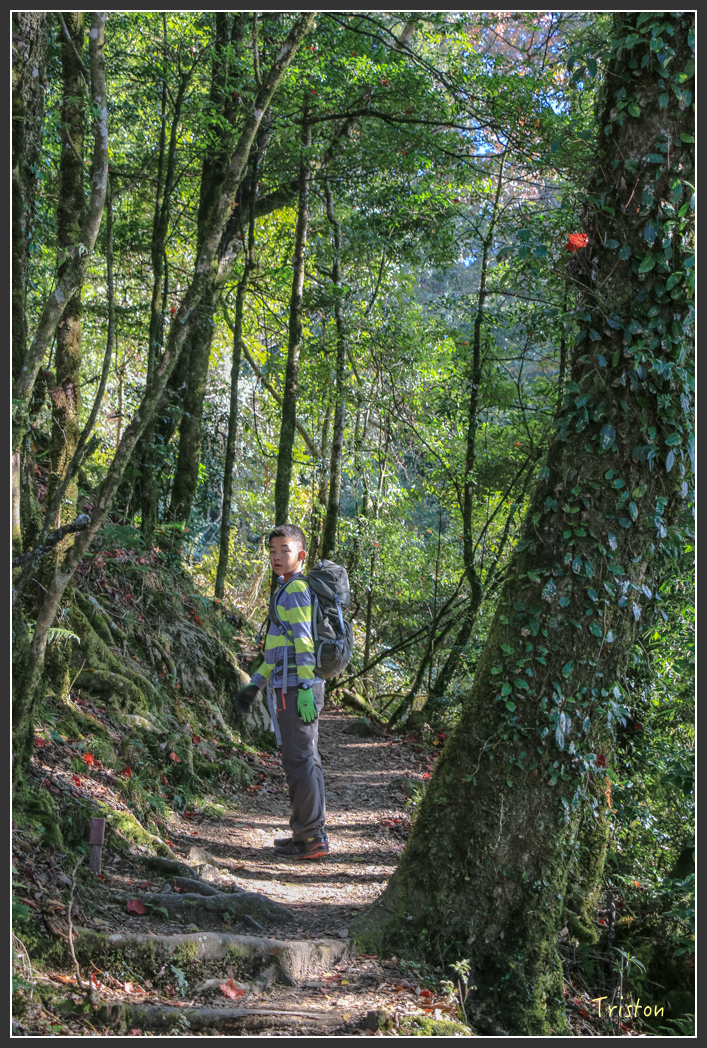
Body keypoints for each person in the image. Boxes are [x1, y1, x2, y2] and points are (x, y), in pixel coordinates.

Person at [232, 524, 329, 860]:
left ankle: (312, 838)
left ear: (300, 555)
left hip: (296, 687)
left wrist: (304, 687)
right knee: (305, 760)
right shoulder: (283, 589)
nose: (276, 557)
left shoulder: (296, 590)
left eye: (284, 551)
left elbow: (304, 643)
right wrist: (256, 684)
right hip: (287, 684)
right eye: (272, 551)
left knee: (299, 760)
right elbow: (275, 647)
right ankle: (305, 832)